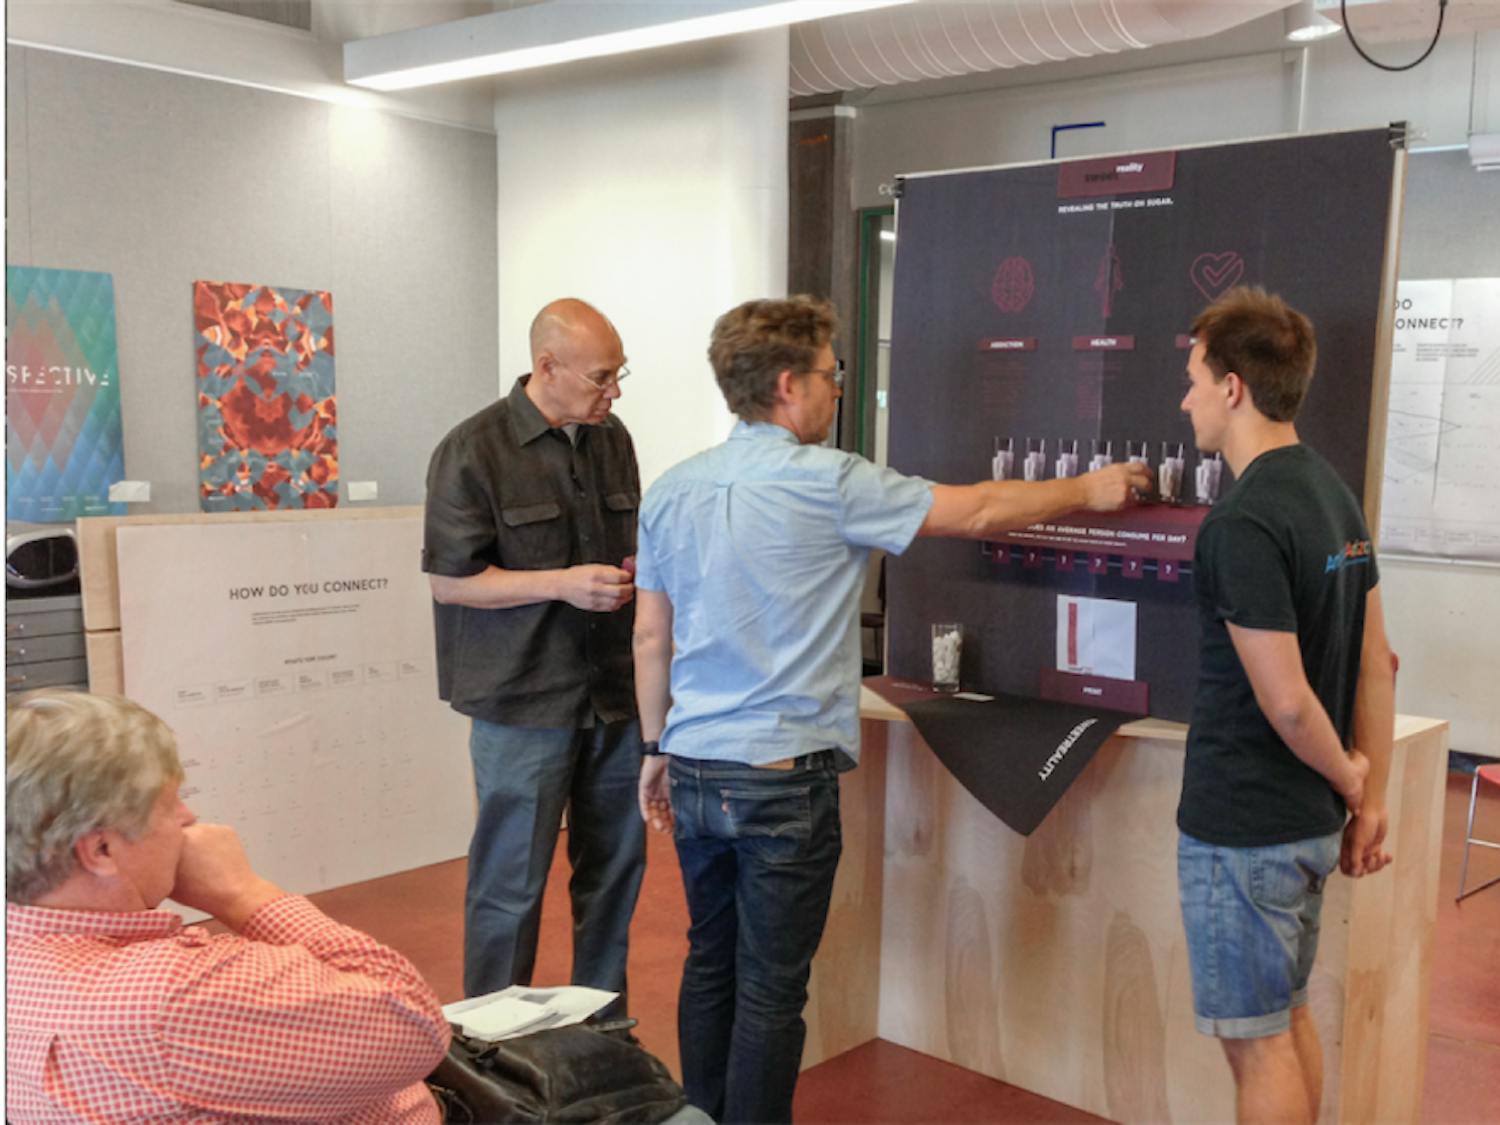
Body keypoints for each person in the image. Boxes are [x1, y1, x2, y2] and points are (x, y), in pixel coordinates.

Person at [631, 294, 1152, 1123]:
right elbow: (976, 508)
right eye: (834, 376)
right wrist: (1089, 489)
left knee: (709, 963)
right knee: (770, 990)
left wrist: (655, 746)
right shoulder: (832, 484)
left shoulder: (671, 489)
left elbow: (650, 637)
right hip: (780, 778)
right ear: (789, 385)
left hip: (693, 765)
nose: (839, 392)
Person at [5, 690, 450, 1124]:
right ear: (101, 849)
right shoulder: (172, 995)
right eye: (168, 803)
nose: (188, 817)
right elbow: (416, 1027)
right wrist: (242, 893)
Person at [1174, 286, 1396, 1125]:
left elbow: (1291, 704)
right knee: (1287, 1017)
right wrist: (1364, 800)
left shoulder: (1243, 519)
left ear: (1234, 387)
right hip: (1299, 825)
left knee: (1258, 1042)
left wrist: (1353, 776)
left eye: (1196, 377)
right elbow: (1380, 663)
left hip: (1245, 830)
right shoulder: (1333, 494)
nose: (1186, 397)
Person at [422, 298, 645, 1005]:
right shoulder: (471, 450)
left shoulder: (614, 440)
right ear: (547, 367)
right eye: (601, 377)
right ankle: (491, 1046)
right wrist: (563, 584)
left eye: (619, 376)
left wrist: (636, 571)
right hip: (522, 703)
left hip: (614, 696)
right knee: (509, 886)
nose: (613, 392)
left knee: (613, 875)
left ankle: (602, 1030)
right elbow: (450, 583)